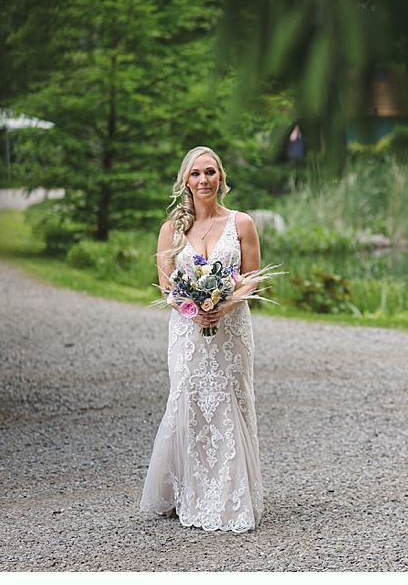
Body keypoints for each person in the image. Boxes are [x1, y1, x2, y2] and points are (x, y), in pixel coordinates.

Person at [140, 146, 264, 532]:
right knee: (187, 400)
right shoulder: (171, 230)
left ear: (221, 178)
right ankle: (184, 491)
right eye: (196, 174)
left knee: (229, 400)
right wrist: (192, 307)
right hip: (187, 331)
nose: (204, 180)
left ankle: (229, 495)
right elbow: (166, 286)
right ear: (186, 181)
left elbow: (253, 277)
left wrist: (223, 306)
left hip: (230, 328)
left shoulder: (241, 224)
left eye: (210, 172)